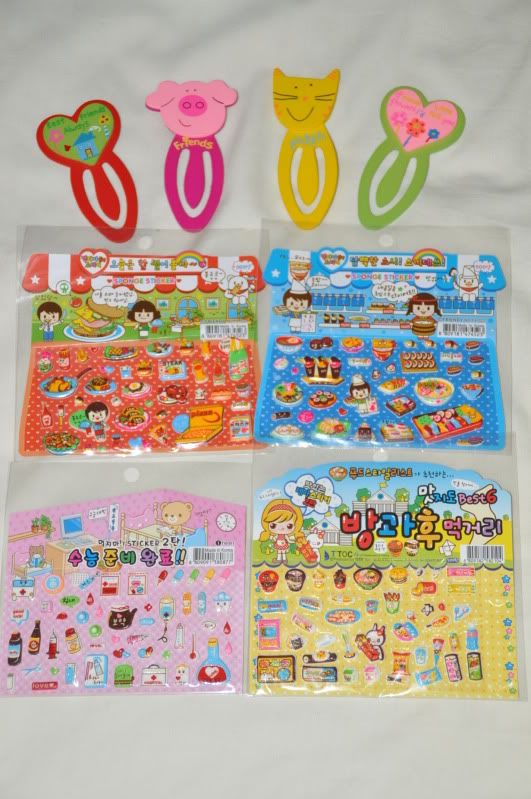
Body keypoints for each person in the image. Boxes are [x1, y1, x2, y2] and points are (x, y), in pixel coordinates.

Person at [259, 499, 304, 565]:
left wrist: (292, 541)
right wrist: (272, 538)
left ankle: (285, 559)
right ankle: (279, 559)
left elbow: (288, 539)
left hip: (284, 544)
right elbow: (274, 539)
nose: (282, 528)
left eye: (289, 526)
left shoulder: (285, 536)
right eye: (273, 525)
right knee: (279, 552)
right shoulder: (276, 535)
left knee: (283, 552)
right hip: (278, 544)